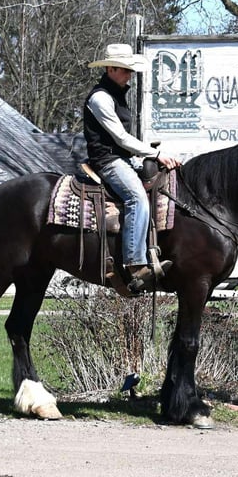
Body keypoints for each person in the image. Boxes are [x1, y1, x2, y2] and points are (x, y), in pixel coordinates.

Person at [84, 43, 181, 292]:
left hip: (123, 159)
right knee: (137, 198)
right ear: (111, 69)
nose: (130, 75)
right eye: (126, 70)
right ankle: (135, 265)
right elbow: (121, 138)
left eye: (130, 70)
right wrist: (155, 153)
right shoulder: (100, 98)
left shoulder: (116, 95)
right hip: (107, 161)